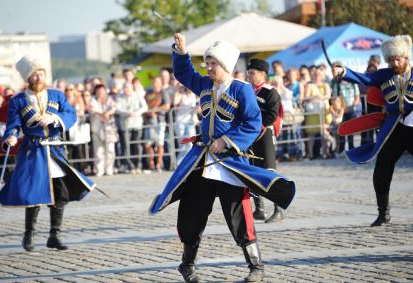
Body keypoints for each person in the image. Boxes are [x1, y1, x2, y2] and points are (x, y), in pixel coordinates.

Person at [149, 33, 296, 283]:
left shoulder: (242, 89)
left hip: (230, 163)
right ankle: (187, 264)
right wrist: (181, 50)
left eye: (212, 63)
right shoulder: (205, 84)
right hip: (202, 162)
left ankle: (256, 266)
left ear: (225, 65)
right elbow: (184, 74)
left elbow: (253, 122)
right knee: (191, 213)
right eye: (206, 62)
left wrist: (226, 141)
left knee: (238, 214)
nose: (208, 66)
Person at [0, 56, 96, 252]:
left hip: (55, 151)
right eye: (35, 74)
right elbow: (13, 125)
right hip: (33, 152)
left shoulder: (56, 95)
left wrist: (54, 117)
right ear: (28, 77)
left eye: (41, 73)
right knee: (33, 193)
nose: (39, 76)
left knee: (60, 194)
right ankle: (29, 235)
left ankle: (54, 235)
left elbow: (71, 114)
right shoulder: (18, 101)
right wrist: (11, 137)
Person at [332, 35, 413, 227]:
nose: (394, 62)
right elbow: (364, 78)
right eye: (391, 59)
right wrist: (343, 71)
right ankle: (383, 213)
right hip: (393, 129)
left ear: (406, 57)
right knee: (381, 170)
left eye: (398, 59)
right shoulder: (383, 75)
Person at [246, 58, 284, 223]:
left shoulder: (270, 91)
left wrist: (256, 125)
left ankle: (278, 209)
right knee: (252, 173)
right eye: (248, 72)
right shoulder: (248, 91)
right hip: (250, 136)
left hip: (265, 135)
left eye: (252, 73)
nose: (249, 75)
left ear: (262, 74)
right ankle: (259, 209)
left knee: (269, 173)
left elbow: (272, 115)